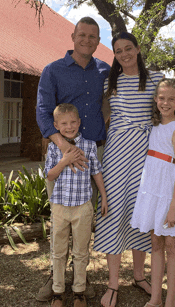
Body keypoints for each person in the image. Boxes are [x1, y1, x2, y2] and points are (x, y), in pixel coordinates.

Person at [93, 32, 175, 307]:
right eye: (118, 50)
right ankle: (113, 284)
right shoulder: (107, 81)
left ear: (137, 49)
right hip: (115, 154)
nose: (124, 54)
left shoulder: (155, 79)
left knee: (143, 215)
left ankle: (139, 276)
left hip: (147, 157)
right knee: (112, 211)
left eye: (128, 48)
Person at [36, 17, 111, 302]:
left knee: (83, 218)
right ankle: (54, 278)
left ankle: (81, 278)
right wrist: (64, 147)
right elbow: (43, 111)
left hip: (93, 151)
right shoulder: (52, 70)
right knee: (60, 219)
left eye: (93, 36)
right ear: (73, 36)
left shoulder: (104, 70)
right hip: (60, 152)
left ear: (98, 40)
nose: (88, 40)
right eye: (83, 35)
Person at [131, 78, 175, 307]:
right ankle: (156, 297)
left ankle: (170, 300)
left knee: (171, 246)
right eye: (161, 98)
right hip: (152, 190)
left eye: (171, 99)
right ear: (156, 99)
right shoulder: (155, 124)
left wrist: (173, 207)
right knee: (155, 245)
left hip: (170, 195)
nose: (165, 102)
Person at [45, 103, 108, 307]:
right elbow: (50, 175)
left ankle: (79, 291)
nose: (69, 126)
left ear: (79, 122)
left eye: (73, 122)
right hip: (60, 207)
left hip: (83, 207)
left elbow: (96, 173)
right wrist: (65, 160)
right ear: (56, 125)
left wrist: (104, 198)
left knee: (81, 251)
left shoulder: (89, 145)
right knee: (59, 251)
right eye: (64, 123)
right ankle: (57, 292)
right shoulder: (54, 147)